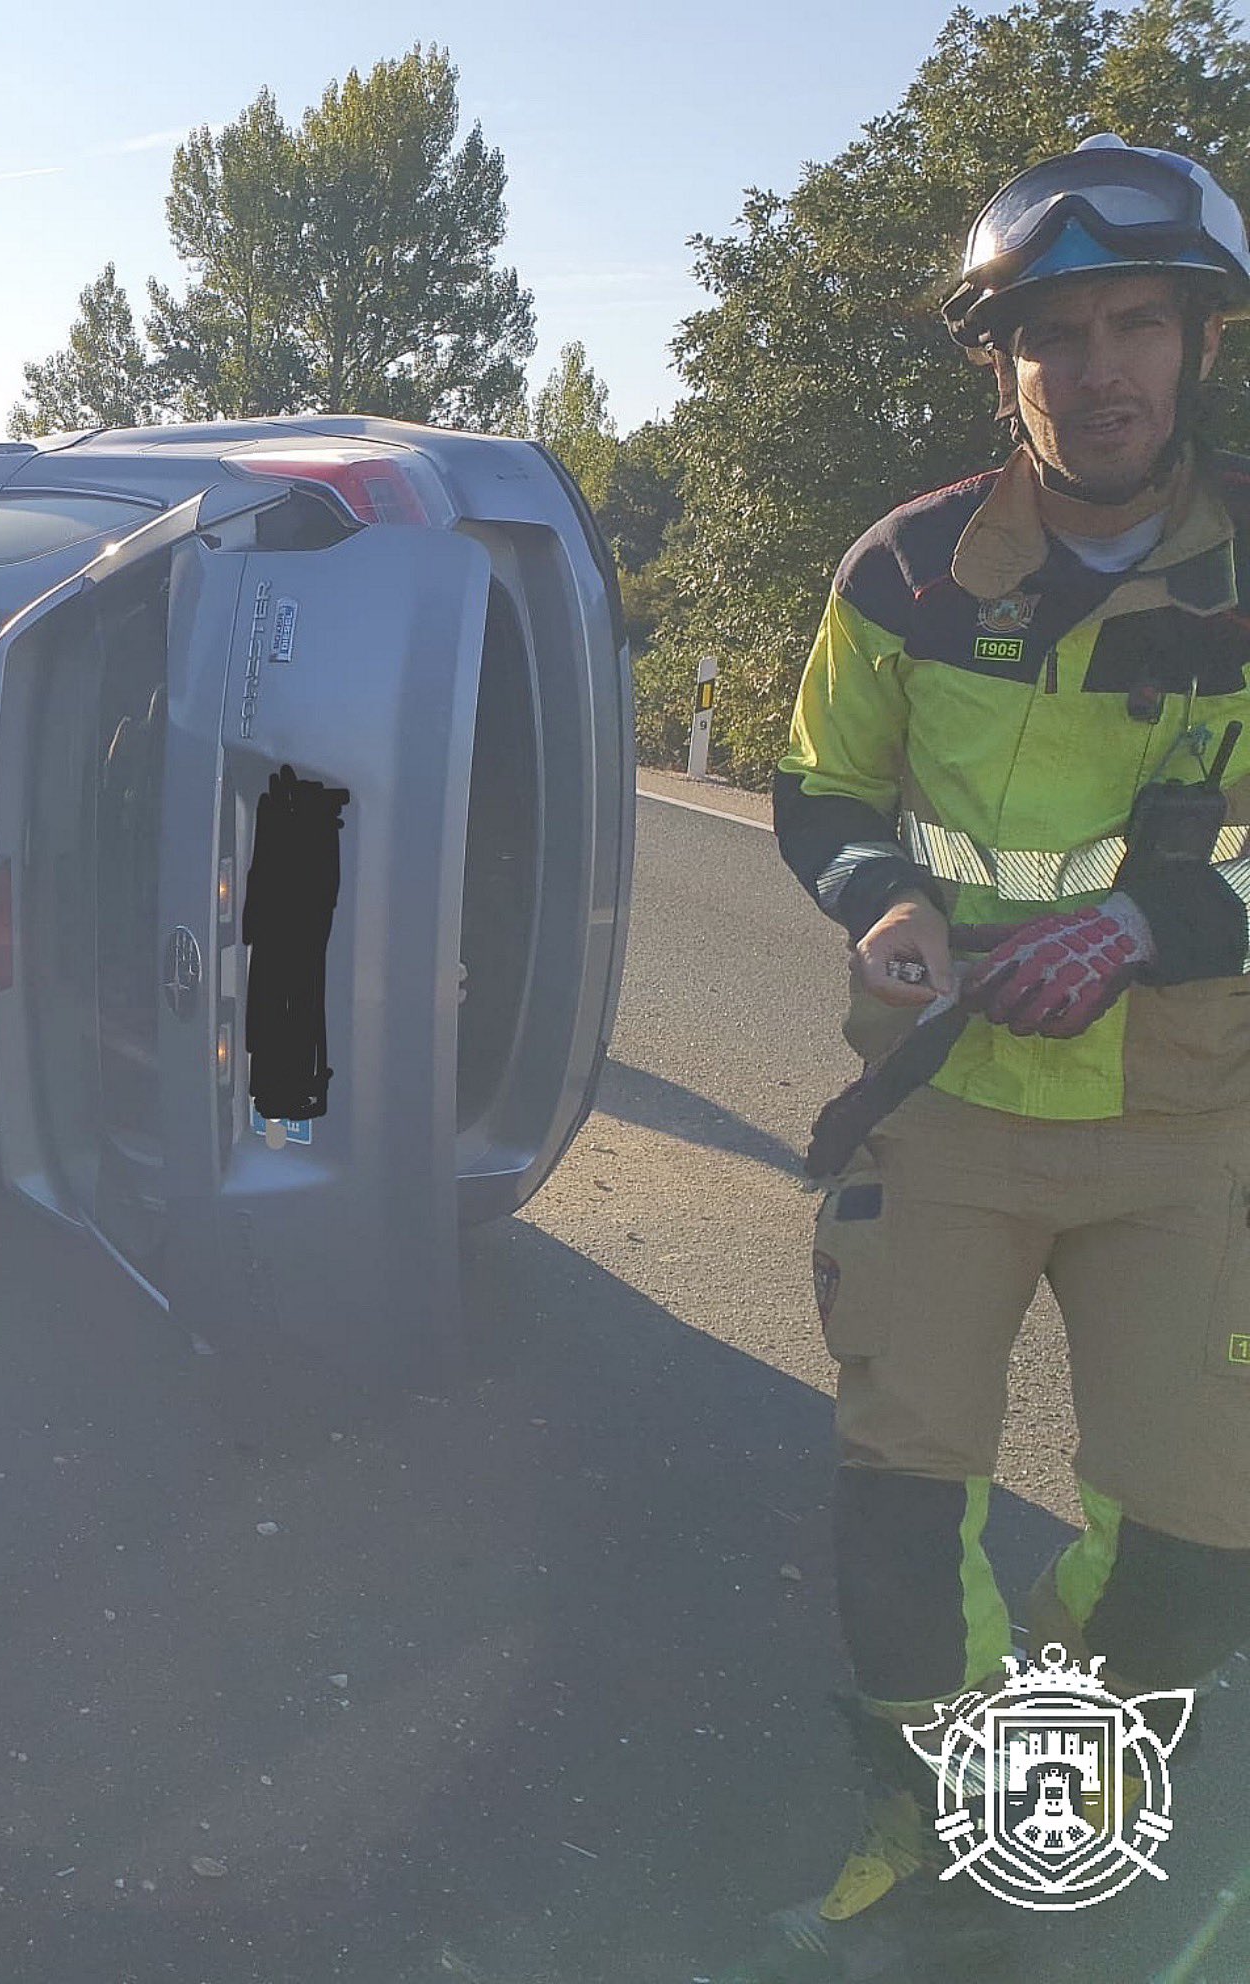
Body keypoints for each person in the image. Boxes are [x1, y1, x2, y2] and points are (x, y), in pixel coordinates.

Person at [730, 135, 1250, 1981]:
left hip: (1182, 1128)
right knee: (900, 1529)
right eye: (1056, 334)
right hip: (941, 1109)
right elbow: (818, 781)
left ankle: (1080, 1764)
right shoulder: (905, 570)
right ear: (1002, 360)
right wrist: (874, 897)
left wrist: (1153, 929)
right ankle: (943, 1821)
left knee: (1198, 1552)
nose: (1098, 368)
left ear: (1197, 344)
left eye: (1136, 325)